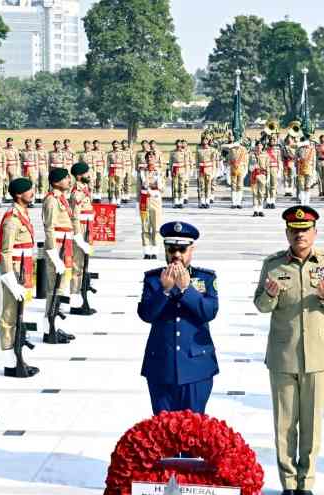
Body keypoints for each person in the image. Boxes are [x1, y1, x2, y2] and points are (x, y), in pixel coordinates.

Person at [254, 205, 324, 495]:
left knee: (312, 424)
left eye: (305, 231)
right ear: (287, 234)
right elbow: (260, 304)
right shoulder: (273, 265)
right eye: (294, 231)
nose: (300, 236)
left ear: (315, 233)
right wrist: (269, 294)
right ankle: (288, 482)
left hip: (318, 355)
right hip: (284, 355)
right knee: (284, 425)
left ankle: (306, 482)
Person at [137, 221, 219, 414]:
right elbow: (146, 314)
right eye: (171, 249)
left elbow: (209, 312)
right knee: (162, 431)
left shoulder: (205, 278)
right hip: (161, 366)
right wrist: (164, 291)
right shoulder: (153, 279)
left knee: (194, 430)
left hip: (196, 366)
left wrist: (185, 289)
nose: (176, 255)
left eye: (182, 249)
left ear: (192, 250)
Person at [0, 178, 40, 377]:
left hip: (23, 270)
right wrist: (10, 280)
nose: (32, 192)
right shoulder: (12, 219)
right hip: (14, 271)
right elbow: (5, 251)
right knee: (10, 316)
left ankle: (18, 357)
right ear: (18, 195)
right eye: (28, 190)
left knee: (18, 315)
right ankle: (10, 362)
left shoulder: (23, 213)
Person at [43, 168, 85, 343]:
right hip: (58, 248)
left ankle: (54, 326)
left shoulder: (62, 199)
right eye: (65, 178)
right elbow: (50, 228)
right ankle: (48, 330)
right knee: (54, 290)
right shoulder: (52, 200)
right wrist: (53, 254)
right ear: (56, 182)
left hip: (65, 246)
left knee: (60, 289)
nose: (69, 180)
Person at [69, 162, 95, 315]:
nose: (89, 175)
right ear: (79, 176)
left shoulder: (84, 190)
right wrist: (78, 237)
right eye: (86, 173)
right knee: (77, 267)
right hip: (81, 231)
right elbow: (75, 217)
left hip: (87, 230)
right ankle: (75, 302)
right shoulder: (77, 193)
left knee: (84, 267)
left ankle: (81, 298)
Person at [138, 151, 164, 259]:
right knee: (145, 226)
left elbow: (161, 187)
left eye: (152, 157)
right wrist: (137, 202)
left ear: (156, 159)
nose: (150, 159)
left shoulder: (159, 172)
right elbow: (139, 187)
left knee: (156, 226)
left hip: (155, 200)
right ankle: (146, 250)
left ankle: (155, 250)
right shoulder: (142, 172)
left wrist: (152, 185)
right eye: (148, 157)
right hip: (144, 200)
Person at [249, 140, 269, 217]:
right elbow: (249, 167)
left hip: (262, 175)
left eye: (260, 145)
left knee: (261, 193)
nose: (259, 147)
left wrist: (268, 177)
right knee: (254, 194)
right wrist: (253, 166)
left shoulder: (265, 155)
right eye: (258, 145)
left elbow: (267, 167)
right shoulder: (252, 155)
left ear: (262, 146)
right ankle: (255, 210)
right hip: (254, 175)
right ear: (255, 146)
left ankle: (260, 210)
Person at [196, 136, 217, 208]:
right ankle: (202, 202)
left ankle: (207, 201)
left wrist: (214, 171)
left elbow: (214, 161)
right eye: (203, 140)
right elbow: (197, 161)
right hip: (201, 170)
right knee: (201, 186)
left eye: (206, 140)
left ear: (208, 141)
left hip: (209, 169)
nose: (205, 141)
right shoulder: (199, 150)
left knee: (208, 186)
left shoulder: (212, 150)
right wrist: (197, 170)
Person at [227, 141, 248, 209]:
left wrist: (246, 169)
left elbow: (246, 160)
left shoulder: (244, 150)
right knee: (233, 185)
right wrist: (228, 169)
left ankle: (238, 202)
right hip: (233, 169)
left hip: (241, 169)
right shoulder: (231, 150)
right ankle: (234, 202)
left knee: (240, 186)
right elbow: (229, 160)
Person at [295, 137, 315, 206]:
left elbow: (314, 161)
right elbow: (296, 160)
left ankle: (307, 201)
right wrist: (296, 170)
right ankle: (302, 201)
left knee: (308, 186)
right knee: (301, 186)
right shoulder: (299, 149)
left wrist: (314, 171)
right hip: (301, 170)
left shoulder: (312, 150)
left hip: (309, 169)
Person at [169, 139, 190, 208]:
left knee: (181, 186)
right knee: (175, 186)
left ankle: (181, 201)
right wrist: (170, 171)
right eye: (177, 144)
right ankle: (176, 202)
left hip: (182, 170)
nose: (179, 146)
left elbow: (186, 163)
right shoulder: (172, 152)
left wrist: (187, 172)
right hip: (175, 170)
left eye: (180, 144)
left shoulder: (185, 152)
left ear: (181, 145)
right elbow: (171, 163)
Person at [20, 139, 39, 206]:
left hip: (32, 169)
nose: (27, 144)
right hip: (25, 170)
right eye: (26, 142)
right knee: (26, 186)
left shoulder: (34, 152)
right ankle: (26, 200)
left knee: (32, 185)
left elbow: (36, 162)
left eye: (29, 142)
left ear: (31, 143)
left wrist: (36, 171)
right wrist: (21, 170)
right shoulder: (23, 152)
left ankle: (32, 200)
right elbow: (21, 162)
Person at [265, 135, 282, 209]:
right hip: (267, 168)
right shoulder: (265, 149)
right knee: (266, 186)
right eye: (271, 139)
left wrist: (279, 170)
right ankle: (267, 201)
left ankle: (272, 201)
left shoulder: (278, 150)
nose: (272, 141)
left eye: (274, 140)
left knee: (273, 186)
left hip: (274, 168)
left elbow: (279, 160)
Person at [107, 140, 125, 206]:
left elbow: (124, 163)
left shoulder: (122, 153)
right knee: (111, 186)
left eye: (116, 144)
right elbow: (108, 163)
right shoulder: (110, 153)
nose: (115, 145)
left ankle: (118, 200)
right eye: (114, 144)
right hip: (112, 172)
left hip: (119, 171)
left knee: (118, 187)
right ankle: (112, 199)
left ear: (119, 145)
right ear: (112, 145)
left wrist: (124, 173)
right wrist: (107, 172)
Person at [315, 134, 324, 199]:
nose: (323, 139)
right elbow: (315, 155)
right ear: (320, 139)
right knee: (319, 177)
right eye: (321, 138)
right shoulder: (317, 146)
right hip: (319, 161)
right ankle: (320, 191)